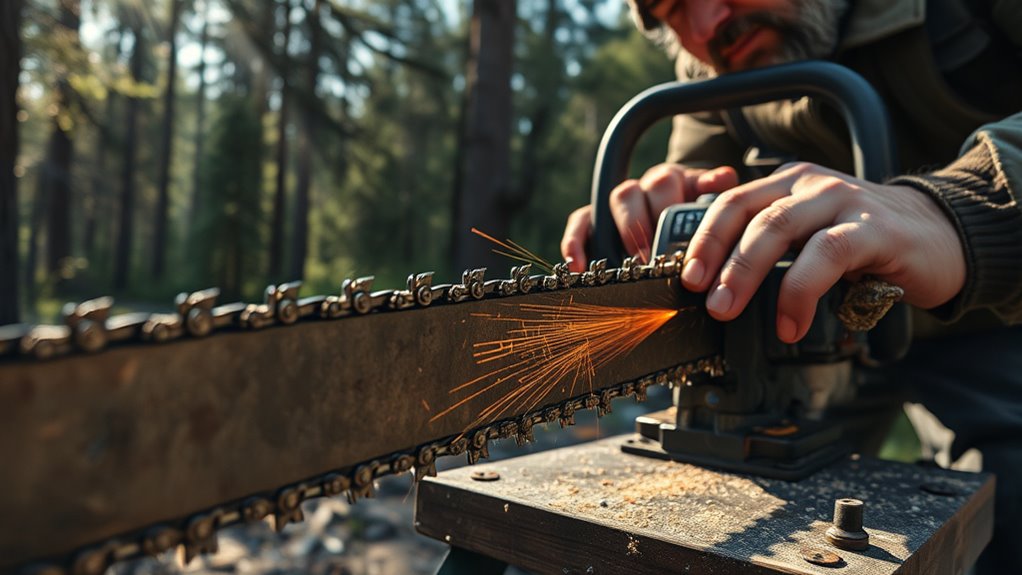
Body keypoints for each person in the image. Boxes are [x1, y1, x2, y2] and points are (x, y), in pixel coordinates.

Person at [561, 0, 1022, 571]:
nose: (705, 27)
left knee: (1003, 508)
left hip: (995, 315)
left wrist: (963, 210)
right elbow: (699, 208)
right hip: (805, 335)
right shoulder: (716, 72)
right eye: (669, 12)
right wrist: (663, 220)